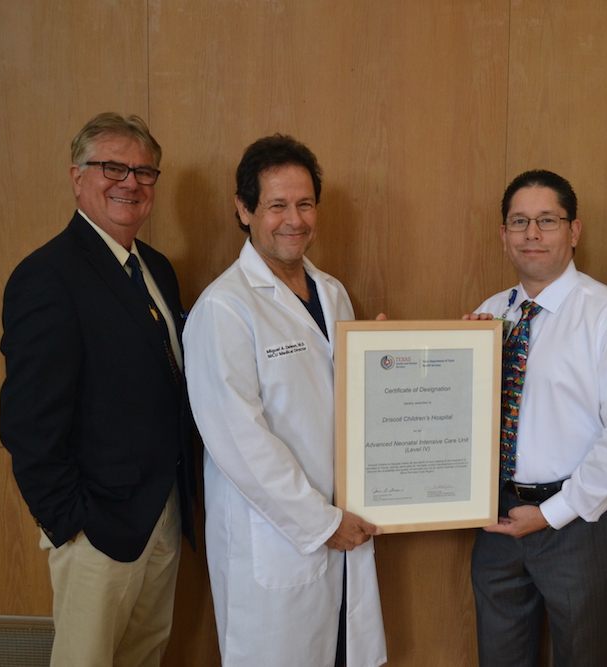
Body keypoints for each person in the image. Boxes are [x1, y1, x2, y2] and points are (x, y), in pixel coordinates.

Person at [0, 112, 197, 667]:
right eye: (112, 167)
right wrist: (71, 525)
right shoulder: (47, 275)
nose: (129, 182)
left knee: (144, 656)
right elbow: (27, 422)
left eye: (143, 171)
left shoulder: (156, 268)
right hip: (96, 530)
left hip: (162, 516)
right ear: (77, 176)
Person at [183, 134, 387, 667]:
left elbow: (344, 401)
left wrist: (388, 359)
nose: (293, 219)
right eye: (276, 205)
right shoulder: (224, 308)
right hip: (282, 540)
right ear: (244, 209)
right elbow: (239, 441)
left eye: (304, 204)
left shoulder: (332, 292)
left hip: (342, 530)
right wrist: (320, 522)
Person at [466, 169, 607, 666]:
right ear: (504, 235)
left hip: (579, 523)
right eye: (519, 221)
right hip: (496, 520)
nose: (531, 234)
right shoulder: (488, 316)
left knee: (583, 658)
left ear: (573, 232)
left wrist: (554, 513)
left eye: (547, 221)